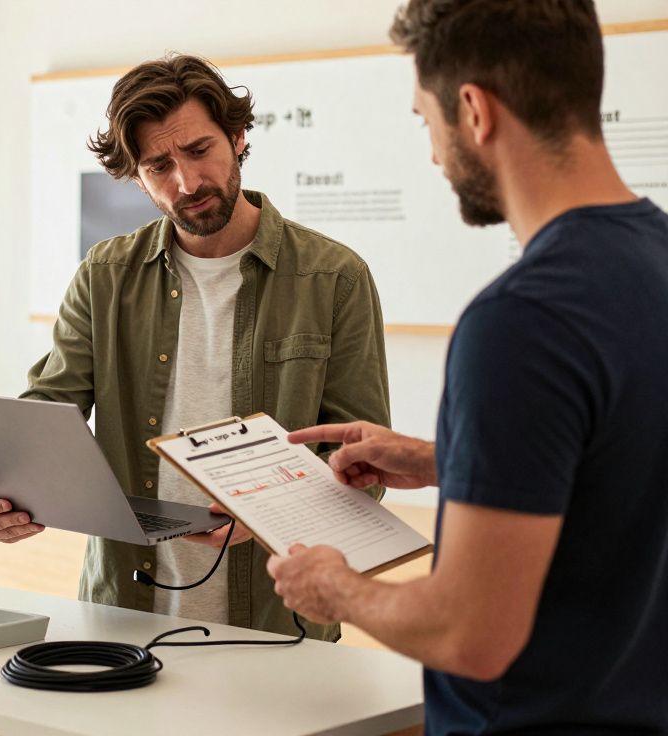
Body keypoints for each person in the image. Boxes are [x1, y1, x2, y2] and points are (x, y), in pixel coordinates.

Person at [266, 1, 668, 733]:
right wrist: (443, 459)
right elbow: (620, 467)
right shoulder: (656, 261)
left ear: (474, 111)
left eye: (427, 120)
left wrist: (336, 588)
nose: (431, 151)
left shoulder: (521, 321)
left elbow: (470, 634)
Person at [0, 54, 390, 640]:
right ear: (136, 177)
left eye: (199, 150)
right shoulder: (105, 274)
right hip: (122, 617)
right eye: (159, 165)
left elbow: (364, 465)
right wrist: (10, 492)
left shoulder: (333, 277)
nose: (187, 183)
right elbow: (49, 407)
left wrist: (269, 514)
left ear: (239, 138)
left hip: (277, 623)